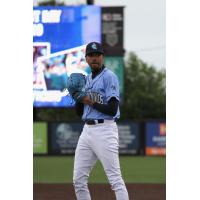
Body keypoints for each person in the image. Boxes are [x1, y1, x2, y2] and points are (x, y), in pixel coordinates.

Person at [73, 42, 129, 200]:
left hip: (105, 130)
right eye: (91, 55)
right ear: (86, 58)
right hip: (87, 131)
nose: (94, 58)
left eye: (97, 55)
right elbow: (79, 112)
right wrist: (78, 98)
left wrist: (89, 100)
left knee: (115, 180)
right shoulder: (86, 79)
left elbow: (112, 109)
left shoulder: (109, 77)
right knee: (78, 180)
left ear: (102, 57)